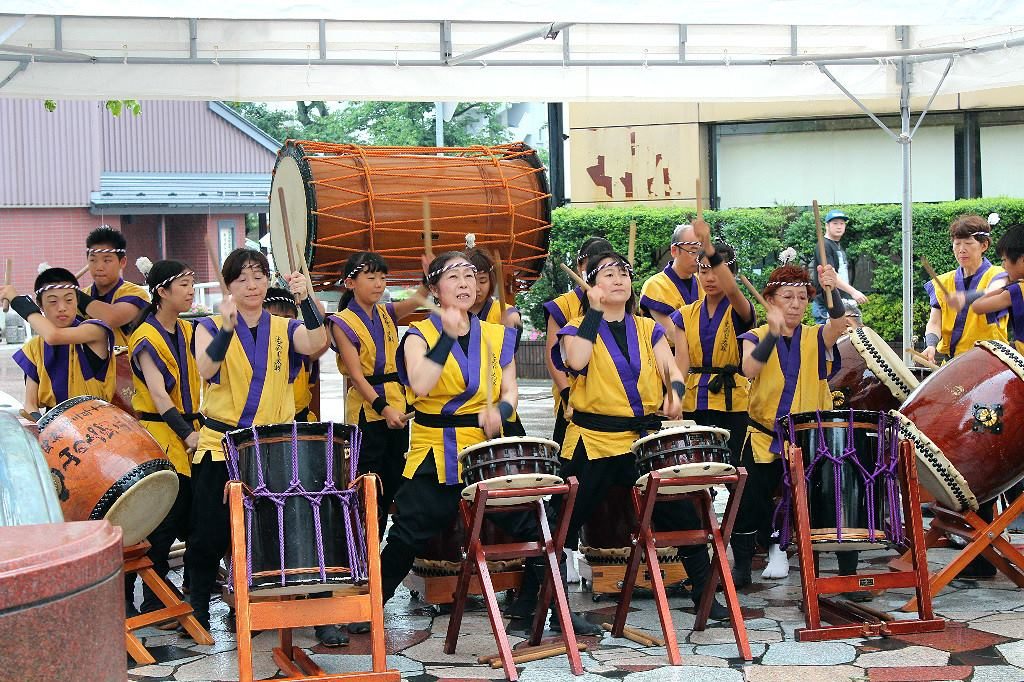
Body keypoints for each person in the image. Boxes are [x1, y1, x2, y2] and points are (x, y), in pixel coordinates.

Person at [551, 249, 730, 622]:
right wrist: (595, 312)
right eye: (608, 274)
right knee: (565, 520)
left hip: (642, 442)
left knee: (680, 510)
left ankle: (704, 594)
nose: (618, 280)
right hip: (593, 440)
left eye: (623, 274)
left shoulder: (648, 328)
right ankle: (543, 606)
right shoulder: (576, 327)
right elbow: (576, 361)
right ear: (591, 285)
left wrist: (676, 394)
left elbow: (672, 370)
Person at [185, 248, 327, 633]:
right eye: (242, 278)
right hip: (222, 444)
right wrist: (229, 328)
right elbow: (206, 367)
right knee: (211, 532)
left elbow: (317, 344)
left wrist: (306, 299)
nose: (252, 285)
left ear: (268, 281)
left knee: (284, 526)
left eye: (259, 276)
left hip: (273, 447)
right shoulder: (210, 327)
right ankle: (197, 606)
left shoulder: (284, 327)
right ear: (229, 285)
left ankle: (308, 609)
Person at [731, 261, 848, 590]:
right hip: (763, 436)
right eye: (787, 297)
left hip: (809, 438)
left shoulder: (815, 336)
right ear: (771, 300)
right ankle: (742, 564)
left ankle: (842, 563)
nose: (795, 304)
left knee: (825, 498)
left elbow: (838, 323)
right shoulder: (755, 336)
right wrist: (772, 331)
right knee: (749, 499)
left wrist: (831, 290)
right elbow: (750, 368)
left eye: (801, 297)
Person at [127, 260, 201, 618]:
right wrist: (188, 433)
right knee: (162, 523)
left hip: (190, 432)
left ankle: (167, 588)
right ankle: (149, 595)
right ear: (162, 292)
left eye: (192, 283)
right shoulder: (145, 338)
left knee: (187, 516)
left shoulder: (186, 331)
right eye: (184, 284)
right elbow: (159, 397)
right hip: (162, 435)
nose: (190, 290)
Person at [672, 219, 755, 464]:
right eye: (703, 270)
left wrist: (707, 245)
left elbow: (733, 292)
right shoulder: (685, 315)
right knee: (696, 473)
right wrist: (674, 399)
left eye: (716, 271)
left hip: (734, 402)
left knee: (736, 471)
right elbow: (680, 365)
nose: (709, 277)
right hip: (695, 400)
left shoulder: (740, 308)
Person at [5, 268, 115, 415]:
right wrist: (41, 425)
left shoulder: (95, 330)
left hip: (99, 423)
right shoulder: (34, 347)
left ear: (77, 301)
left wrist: (17, 301)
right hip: (53, 427)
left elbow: (53, 336)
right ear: (40, 304)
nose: (62, 308)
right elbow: (30, 404)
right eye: (52, 301)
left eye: (69, 300)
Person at [543, 237, 614, 446]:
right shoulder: (563, 305)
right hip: (573, 396)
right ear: (579, 267)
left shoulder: (618, 303)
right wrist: (566, 394)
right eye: (589, 264)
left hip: (612, 395)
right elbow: (551, 354)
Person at [922, 214, 1008, 363]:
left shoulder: (1000, 274)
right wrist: (930, 345)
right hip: (952, 365)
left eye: (968, 243)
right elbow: (935, 322)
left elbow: (997, 291)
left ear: (984, 245)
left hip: (992, 365)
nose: (961, 249)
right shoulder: (943, 282)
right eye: (957, 244)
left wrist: (965, 297)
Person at [465, 245, 527, 436]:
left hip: (499, 402)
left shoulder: (503, 311)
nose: (476, 288)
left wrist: (512, 325)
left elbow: (514, 318)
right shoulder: (452, 318)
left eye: (482, 281)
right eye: (470, 280)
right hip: (465, 407)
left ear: (491, 280)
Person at [76, 226, 151, 347]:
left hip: (127, 364)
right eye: (93, 260)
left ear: (122, 262)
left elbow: (111, 318)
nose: (99, 267)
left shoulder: (136, 294)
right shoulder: (81, 295)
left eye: (107, 260)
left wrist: (71, 292)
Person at [263, 287, 328, 422]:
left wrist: (318, 318)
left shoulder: (302, 347)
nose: (281, 323)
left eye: (287, 319)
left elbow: (321, 342)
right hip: (264, 422)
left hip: (299, 421)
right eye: (274, 318)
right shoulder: (250, 348)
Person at [639, 223, 704, 345]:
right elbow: (672, 333)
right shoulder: (655, 286)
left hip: (702, 354)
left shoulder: (703, 282)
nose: (698, 258)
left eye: (701, 252)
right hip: (667, 356)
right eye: (693, 251)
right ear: (674, 250)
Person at [971, 223, 1024, 353]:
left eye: (1005, 260)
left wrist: (1006, 286)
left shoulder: (1017, 290)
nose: (1003, 266)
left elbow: (978, 306)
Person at [809, 210, 867, 324]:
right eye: (835, 223)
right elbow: (831, 275)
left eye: (842, 223)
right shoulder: (824, 245)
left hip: (839, 302)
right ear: (827, 225)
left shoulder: (837, 245)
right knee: (828, 340)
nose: (839, 226)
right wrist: (853, 292)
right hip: (827, 304)